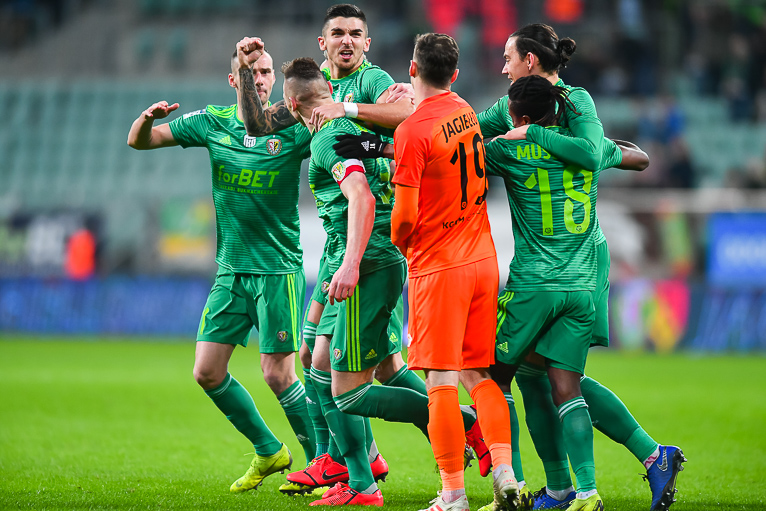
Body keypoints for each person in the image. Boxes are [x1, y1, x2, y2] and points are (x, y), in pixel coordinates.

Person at [480, 24, 686, 511]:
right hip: (574, 267)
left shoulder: (576, 102)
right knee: (548, 375)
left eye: (509, 58)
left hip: (563, 267)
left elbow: (590, 153)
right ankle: (576, 484)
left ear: (530, 61)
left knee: (522, 374)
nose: (503, 67)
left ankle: (529, 485)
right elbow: (626, 156)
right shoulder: (520, 108)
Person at [126, 49, 316, 493]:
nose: (261, 78)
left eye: (266, 71)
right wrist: (147, 120)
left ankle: (325, 464)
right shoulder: (213, 122)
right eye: (252, 72)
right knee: (207, 372)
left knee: (279, 375)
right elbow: (139, 141)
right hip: (230, 272)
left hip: (277, 271)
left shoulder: (293, 126)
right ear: (234, 81)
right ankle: (269, 451)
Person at [390, 33, 518, 511]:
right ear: (455, 74)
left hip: (439, 267)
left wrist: (402, 245)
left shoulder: (412, 132)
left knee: (440, 382)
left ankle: (453, 494)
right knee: (480, 376)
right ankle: (505, 472)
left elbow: (403, 218)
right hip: (483, 261)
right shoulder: (465, 110)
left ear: (412, 70)